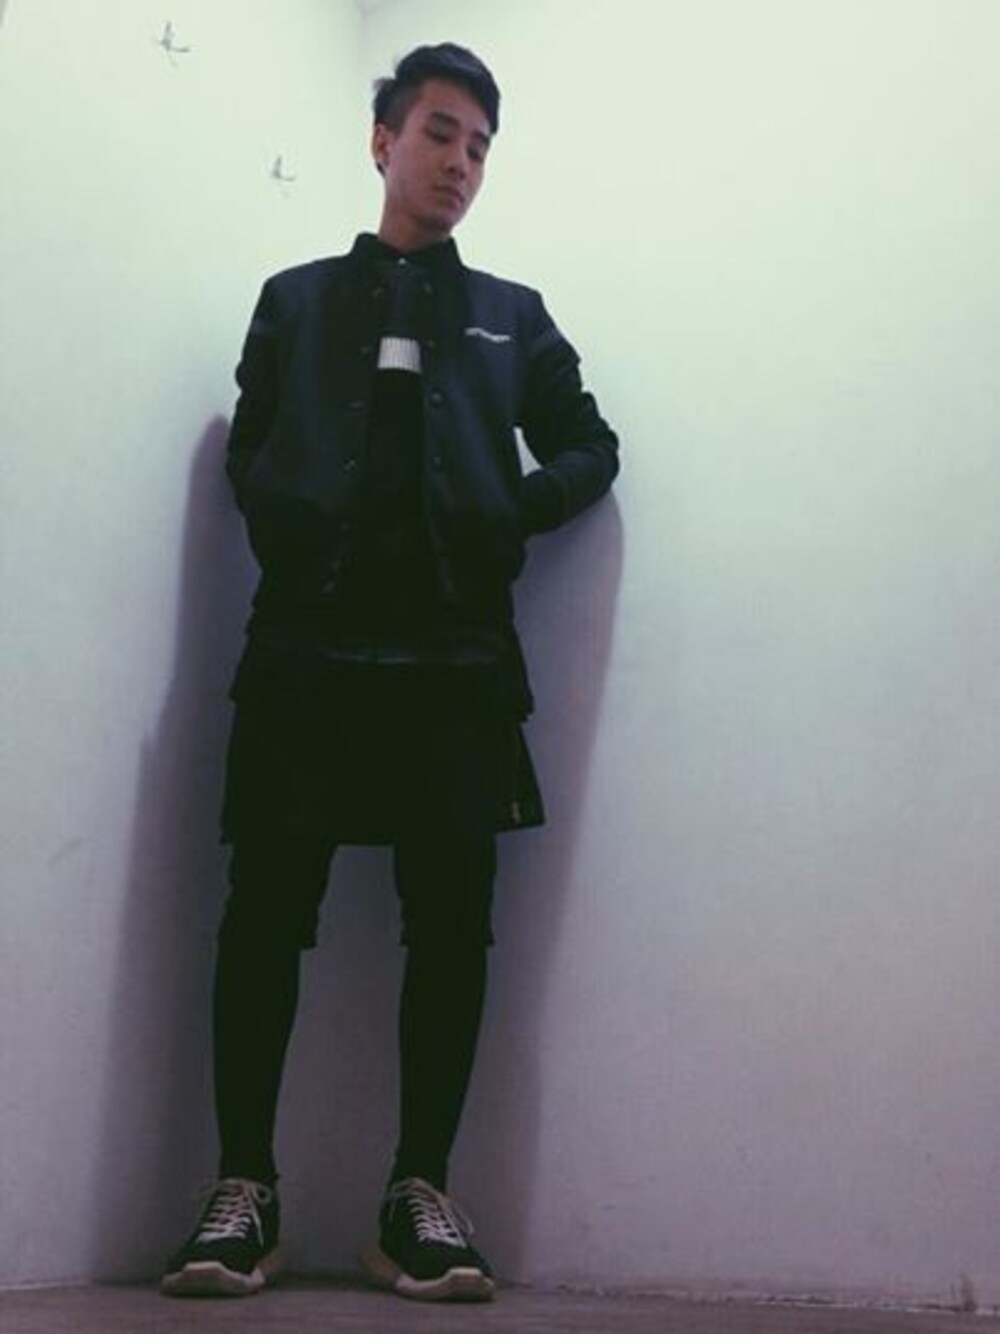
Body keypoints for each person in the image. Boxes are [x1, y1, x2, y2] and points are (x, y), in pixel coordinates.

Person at [161, 42, 619, 1304]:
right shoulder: (295, 300)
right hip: (304, 650)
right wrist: (289, 511)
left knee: (453, 922)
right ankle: (242, 1189)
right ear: (382, 140)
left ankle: (418, 1194)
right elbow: (251, 446)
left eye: (479, 146)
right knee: (265, 910)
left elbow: (589, 445)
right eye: (438, 132)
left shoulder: (512, 315)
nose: (460, 162)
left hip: (456, 662)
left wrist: (511, 508)